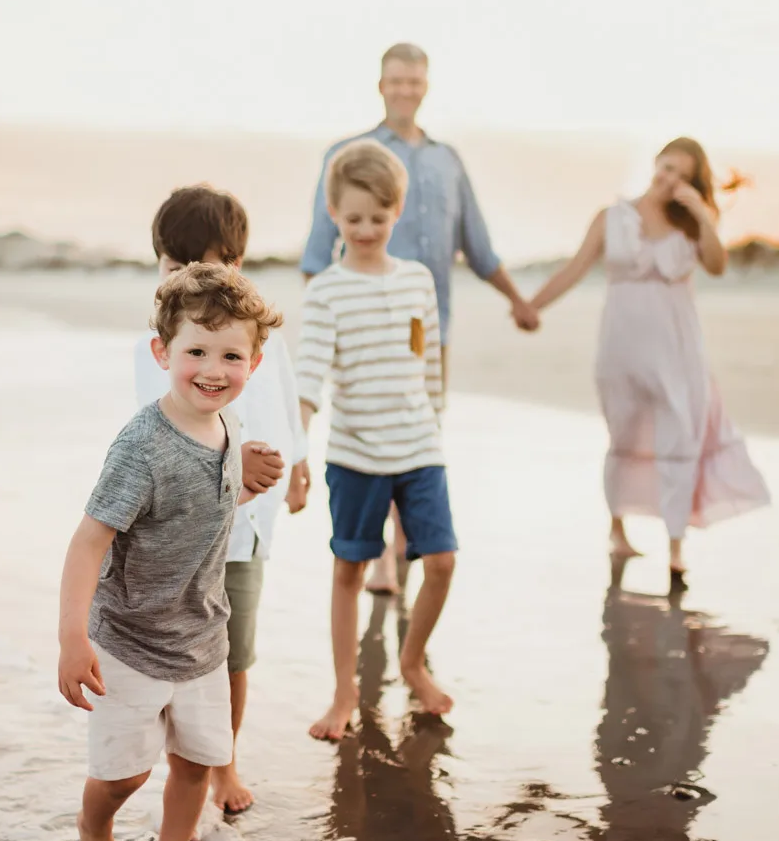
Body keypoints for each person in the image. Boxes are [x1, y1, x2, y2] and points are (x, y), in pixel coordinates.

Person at [57, 262, 282, 841]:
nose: (213, 368)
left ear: (254, 362)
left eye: (231, 354)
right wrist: (74, 639)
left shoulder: (228, 428)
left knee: (197, 761)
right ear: (163, 352)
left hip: (202, 635)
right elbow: (89, 540)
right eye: (196, 351)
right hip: (128, 639)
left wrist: (243, 486)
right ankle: (93, 830)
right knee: (124, 772)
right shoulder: (141, 446)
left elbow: (199, 506)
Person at [300, 41, 538, 594]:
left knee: (422, 424)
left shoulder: (446, 160)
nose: (405, 90)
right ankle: (384, 559)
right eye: (396, 80)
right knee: (373, 430)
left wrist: (518, 299)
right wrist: (321, 323)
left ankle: (406, 542)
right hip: (362, 326)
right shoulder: (347, 154)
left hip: (428, 323)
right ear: (380, 84)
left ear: (426, 85)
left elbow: (477, 246)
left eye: (415, 81)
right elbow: (317, 252)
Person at [134, 185, 310, 815]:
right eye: (171, 266)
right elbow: (157, 431)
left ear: (234, 265)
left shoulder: (262, 338)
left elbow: (283, 402)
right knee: (180, 656)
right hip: (183, 533)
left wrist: (299, 462)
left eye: (200, 265)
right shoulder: (154, 346)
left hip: (246, 533)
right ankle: (167, 760)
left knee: (236, 656)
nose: (184, 279)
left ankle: (222, 763)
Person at [528, 138, 769, 588]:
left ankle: (676, 546)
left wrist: (700, 212)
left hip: (679, 350)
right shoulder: (612, 217)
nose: (670, 178)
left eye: (682, 174)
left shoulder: (693, 223)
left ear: (693, 182)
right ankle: (617, 529)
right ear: (654, 165)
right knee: (622, 433)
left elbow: (717, 265)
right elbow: (575, 268)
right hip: (621, 349)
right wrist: (531, 306)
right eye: (666, 167)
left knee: (680, 433)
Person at [297, 139, 458, 741]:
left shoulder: (418, 281)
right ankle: (345, 692)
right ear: (334, 215)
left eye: (378, 218)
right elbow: (309, 374)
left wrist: (435, 424)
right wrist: (299, 452)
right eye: (353, 218)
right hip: (356, 454)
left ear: (397, 213)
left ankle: (412, 662)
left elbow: (429, 360)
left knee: (441, 560)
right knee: (350, 571)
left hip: (419, 448)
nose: (365, 229)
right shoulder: (328, 290)